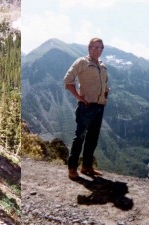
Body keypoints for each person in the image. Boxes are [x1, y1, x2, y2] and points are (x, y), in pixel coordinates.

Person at [63, 38, 109, 179]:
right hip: (87, 106)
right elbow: (68, 80)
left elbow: (105, 85)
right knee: (80, 137)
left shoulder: (102, 66)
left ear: (102, 50)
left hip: (99, 106)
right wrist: (78, 97)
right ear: (88, 48)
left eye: (99, 47)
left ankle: (86, 167)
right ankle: (72, 168)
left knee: (92, 138)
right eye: (93, 47)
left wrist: (105, 97)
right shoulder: (82, 62)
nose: (96, 50)